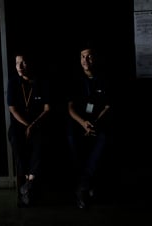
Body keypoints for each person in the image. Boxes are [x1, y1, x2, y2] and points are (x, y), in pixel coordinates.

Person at [66, 42, 113, 209]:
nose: (85, 59)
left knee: (105, 138)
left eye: (89, 56)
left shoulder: (105, 78)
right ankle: (86, 185)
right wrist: (83, 123)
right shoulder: (74, 79)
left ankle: (82, 187)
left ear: (96, 58)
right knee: (71, 138)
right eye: (82, 56)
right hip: (79, 122)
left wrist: (94, 123)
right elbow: (70, 108)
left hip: (98, 122)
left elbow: (108, 106)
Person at [7, 50, 51, 207]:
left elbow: (47, 108)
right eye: (17, 62)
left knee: (41, 142)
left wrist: (33, 125)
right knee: (15, 139)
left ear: (30, 63)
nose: (20, 66)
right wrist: (26, 125)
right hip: (20, 125)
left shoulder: (42, 82)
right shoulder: (13, 82)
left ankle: (28, 184)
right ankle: (29, 182)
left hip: (38, 124)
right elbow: (12, 109)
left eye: (23, 62)